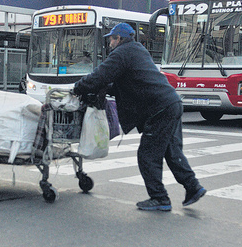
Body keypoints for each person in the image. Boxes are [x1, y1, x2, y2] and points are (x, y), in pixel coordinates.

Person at [73, 23, 206, 211]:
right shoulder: (138, 50)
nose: (109, 42)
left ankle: (160, 198)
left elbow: (100, 76)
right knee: (172, 151)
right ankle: (193, 187)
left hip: (159, 108)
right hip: (171, 103)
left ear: (119, 39)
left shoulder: (121, 53)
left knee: (147, 155)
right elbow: (131, 80)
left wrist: (77, 88)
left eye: (111, 38)